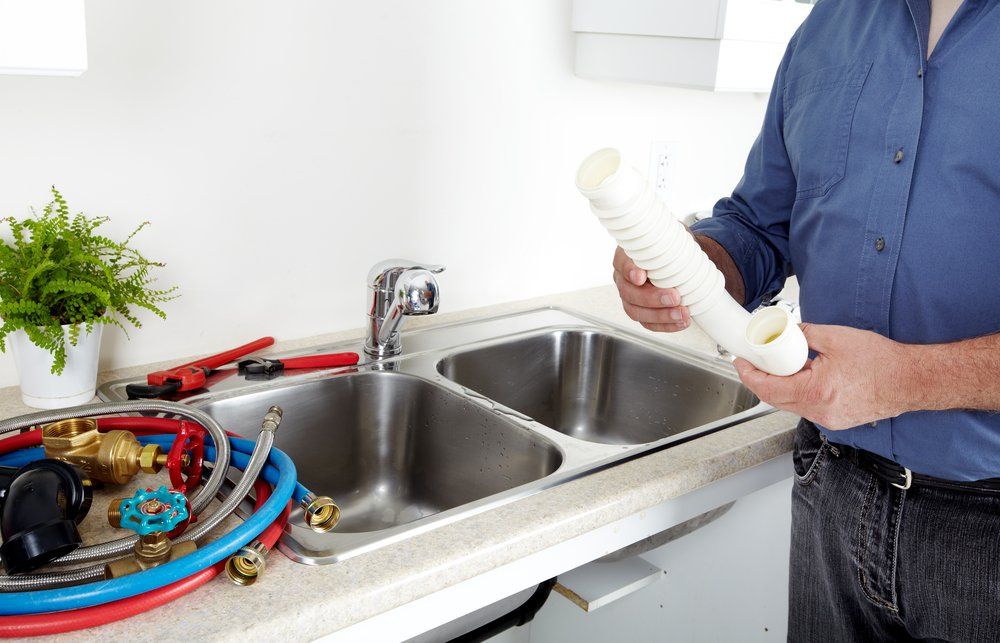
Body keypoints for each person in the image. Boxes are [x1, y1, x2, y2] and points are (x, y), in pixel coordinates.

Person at [611, 1, 1000, 640]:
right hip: (831, 491)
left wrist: (910, 378)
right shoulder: (832, 23)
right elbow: (760, 224)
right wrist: (689, 265)